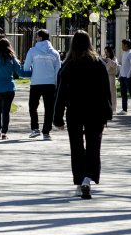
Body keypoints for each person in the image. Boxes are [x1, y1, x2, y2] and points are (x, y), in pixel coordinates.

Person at [53, 30, 113, 199]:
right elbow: (105, 91)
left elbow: (60, 94)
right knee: (94, 146)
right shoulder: (98, 63)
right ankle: (88, 178)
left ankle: (80, 181)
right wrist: (107, 113)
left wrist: (57, 118)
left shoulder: (68, 65)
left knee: (77, 147)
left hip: (75, 111)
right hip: (95, 111)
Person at [23, 29, 61, 139]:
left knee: (33, 107)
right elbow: (58, 71)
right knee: (49, 108)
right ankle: (46, 132)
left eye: (36, 36)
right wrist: (56, 84)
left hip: (36, 83)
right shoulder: (55, 53)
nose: (35, 38)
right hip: (50, 83)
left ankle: (35, 128)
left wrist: (32, 71)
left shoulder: (32, 51)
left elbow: (26, 67)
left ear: (40, 37)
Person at [0, 38, 24, 140]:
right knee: (6, 111)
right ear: (9, 47)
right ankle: (4, 133)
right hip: (9, 88)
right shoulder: (12, 59)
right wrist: (32, 72)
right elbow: (20, 72)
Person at [118, 38, 131, 114]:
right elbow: (122, 65)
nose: (122, 46)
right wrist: (120, 75)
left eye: (122, 45)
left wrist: (128, 75)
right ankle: (124, 110)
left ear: (126, 45)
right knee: (123, 93)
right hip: (123, 77)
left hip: (129, 77)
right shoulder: (123, 54)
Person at [101, 46, 119, 113]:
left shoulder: (114, 58)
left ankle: (113, 108)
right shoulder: (105, 58)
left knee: (112, 93)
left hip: (111, 77)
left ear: (110, 52)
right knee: (105, 93)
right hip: (104, 77)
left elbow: (115, 65)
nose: (106, 53)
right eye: (105, 52)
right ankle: (106, 108)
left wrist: (109, 60)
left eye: (107, 52)